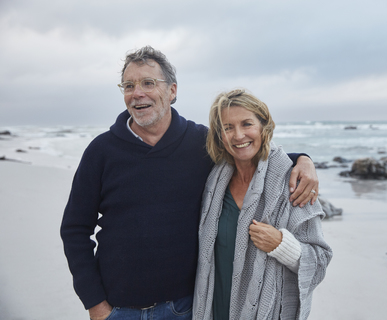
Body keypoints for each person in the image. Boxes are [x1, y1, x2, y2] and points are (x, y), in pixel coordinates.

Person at [60, 46, 320, 320]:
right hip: (117, 309)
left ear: (172, 91)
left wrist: (302, 160)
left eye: (148, 83)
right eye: (128, 85)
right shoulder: (101, 151)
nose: (137, 93)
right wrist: (95, 303)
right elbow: (75, 230)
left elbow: (247, 151)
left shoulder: (201, 144)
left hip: (184, 308)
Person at [193, 89, 333, 320]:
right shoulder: (213, 182)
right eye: (228, 127)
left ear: (263, 126)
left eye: (247, 124)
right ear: (220, 135)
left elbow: (320, 261)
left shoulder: (293, 183)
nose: (238, 135)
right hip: (215, 308)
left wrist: (282, 244)